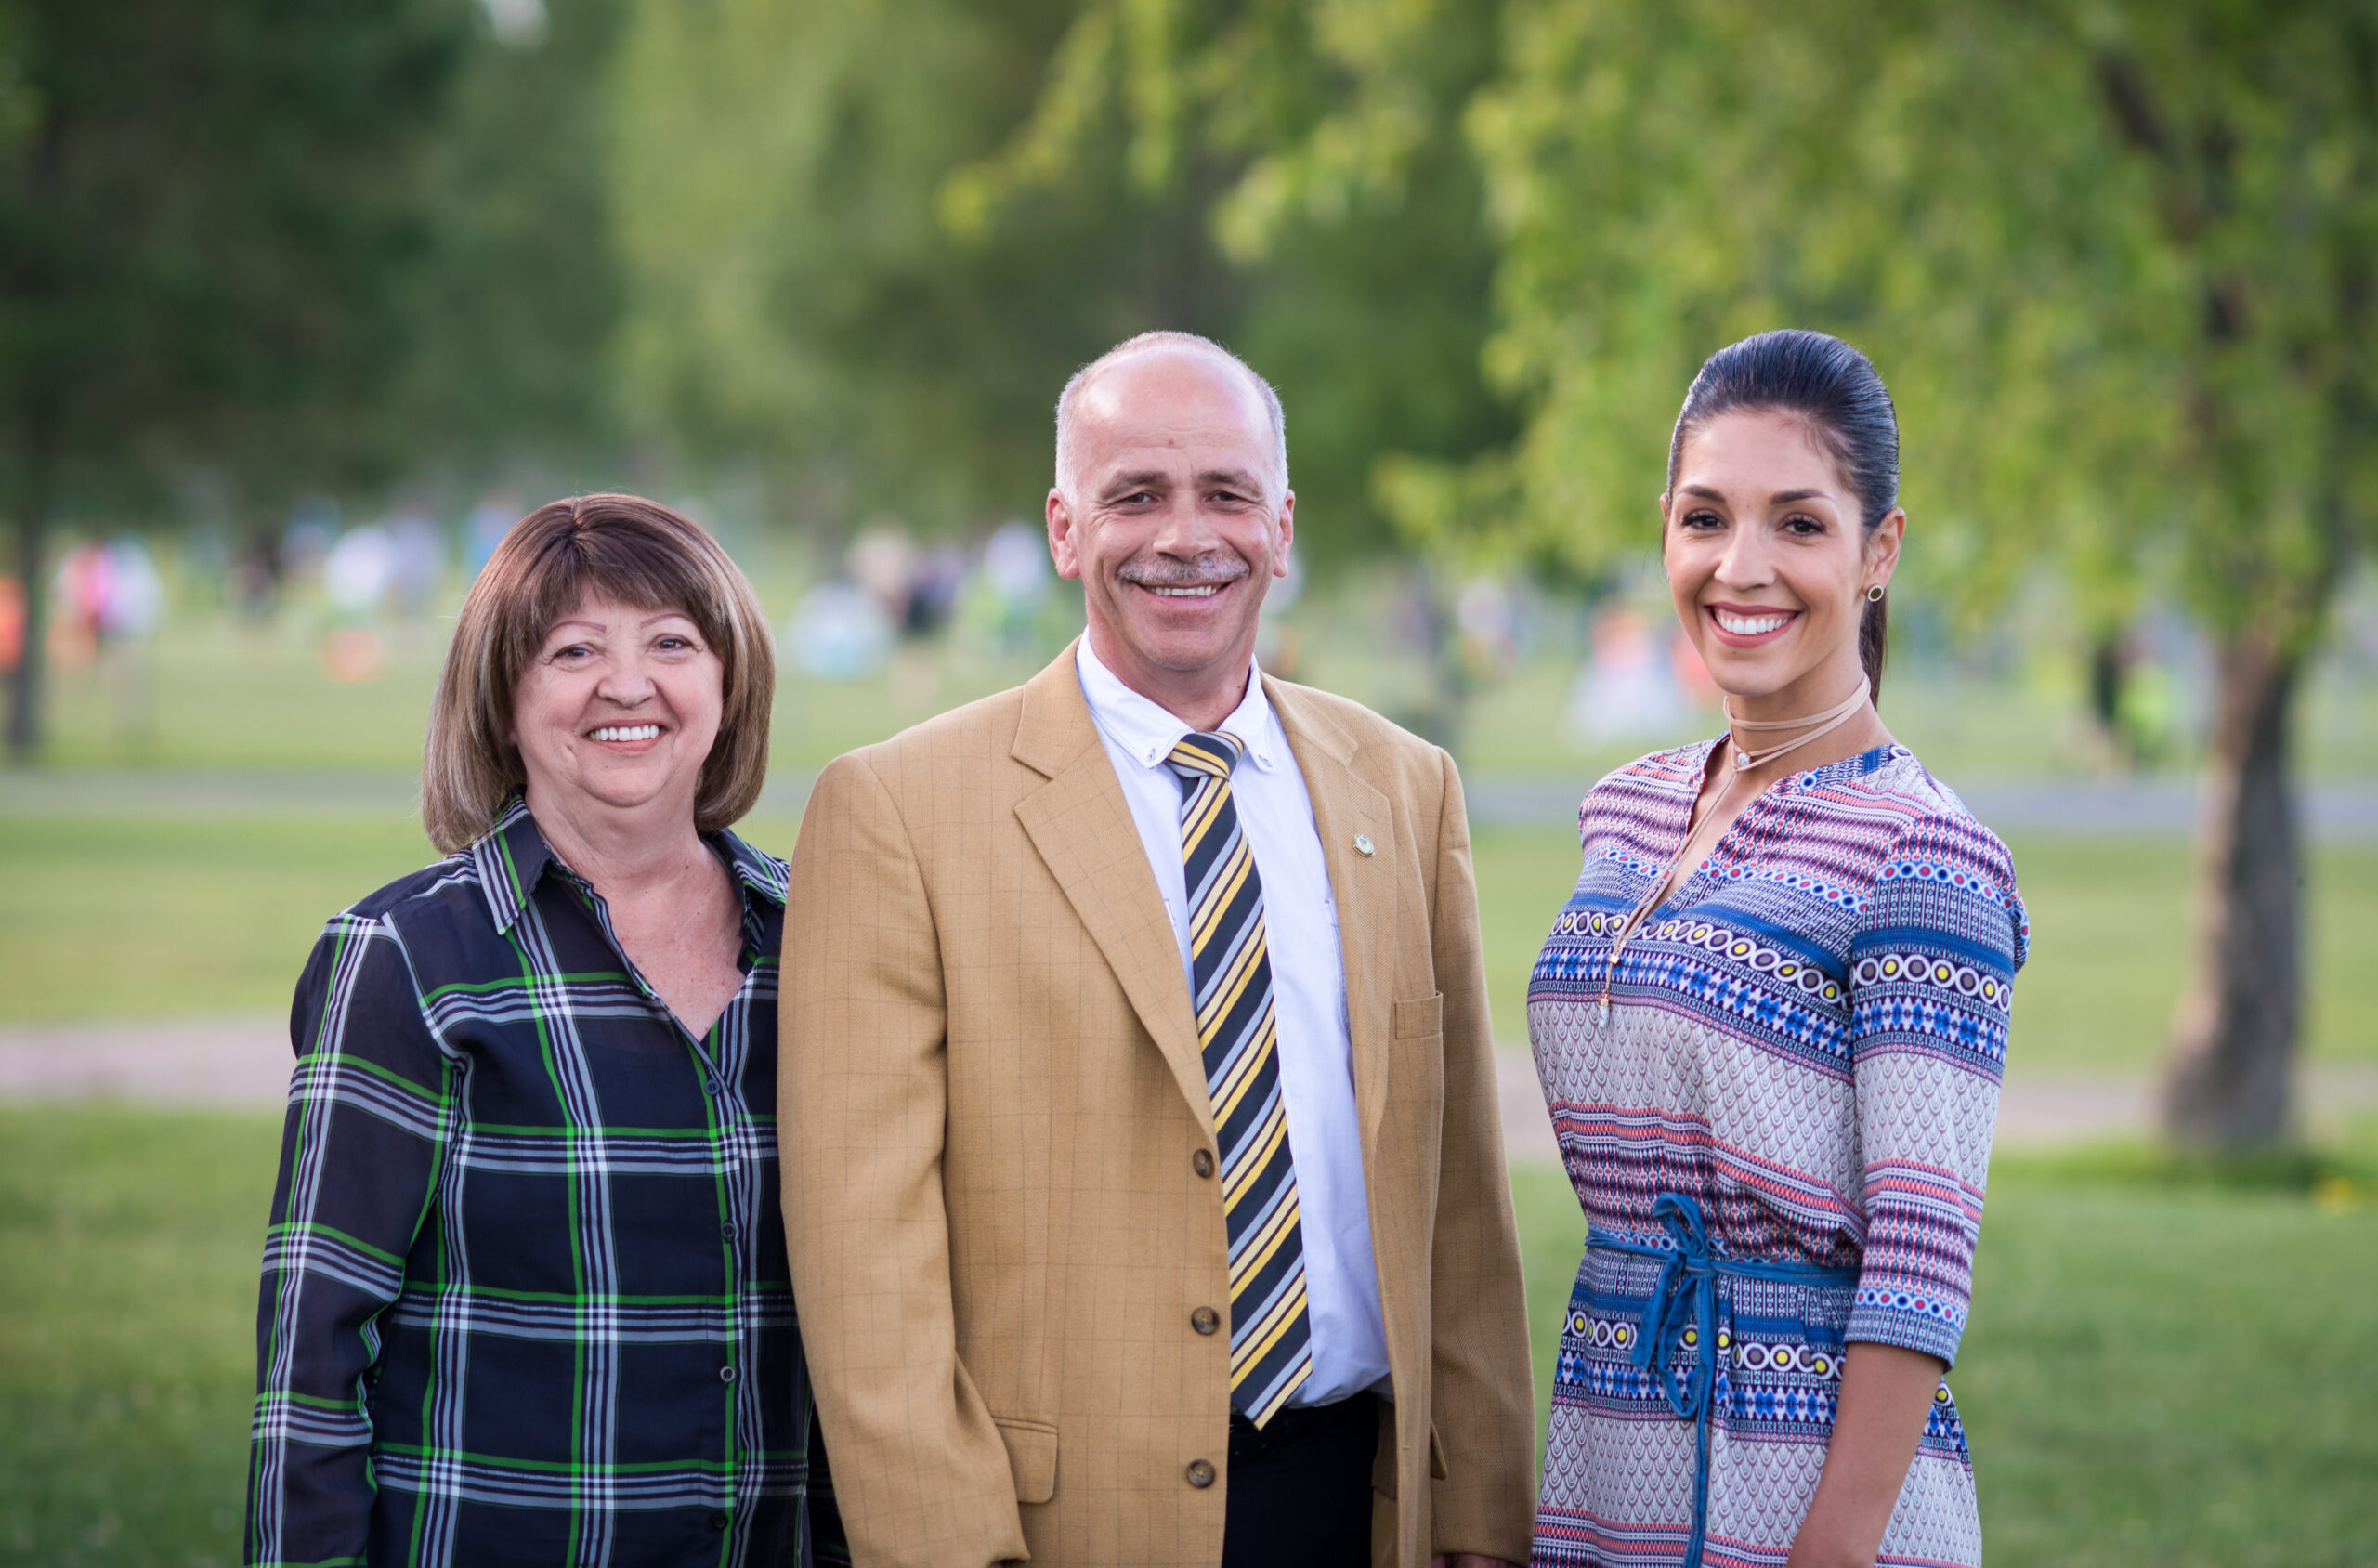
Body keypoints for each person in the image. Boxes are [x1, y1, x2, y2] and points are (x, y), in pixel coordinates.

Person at [780, 332, 1536, 1568]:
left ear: (1282, 529)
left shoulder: (1405, 789)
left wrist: (1482, 1520)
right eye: (1135, 495)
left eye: (1227, 495)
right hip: (1059, 1526)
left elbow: (1456, 1204)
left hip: (1360, 1501)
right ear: (1065, 529)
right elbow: (870, 1280)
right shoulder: (898, 814)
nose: (1187, 536)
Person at [244, 495, 843, 1566]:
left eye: (672, 641)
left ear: (728, 681)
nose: (629, 683)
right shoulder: (406, 957)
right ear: (504, 697)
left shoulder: (830, 943)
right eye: (574, 649)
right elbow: (312, 1358)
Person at [1527, 331, 2028, 1568]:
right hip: (1608, 1446)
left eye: (1798, 525)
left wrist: (1832, 1550)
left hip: (1805, 1492)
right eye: (1707, 518)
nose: (1739, 567)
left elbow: (1920, 1269)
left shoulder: (1926, 855)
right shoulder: (1626, 810)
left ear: (1879, 552)